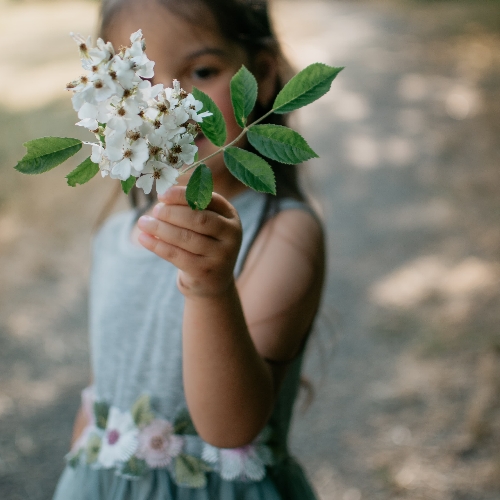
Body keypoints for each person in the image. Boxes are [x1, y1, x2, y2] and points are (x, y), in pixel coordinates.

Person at [52, 0, 326, 498]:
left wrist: (210, 289)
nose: (168, 100)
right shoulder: (114, 238)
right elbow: (100, 400)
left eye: (201, 71)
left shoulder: (284, 234)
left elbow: (230, 429)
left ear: (261, 75)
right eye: (138, 81)